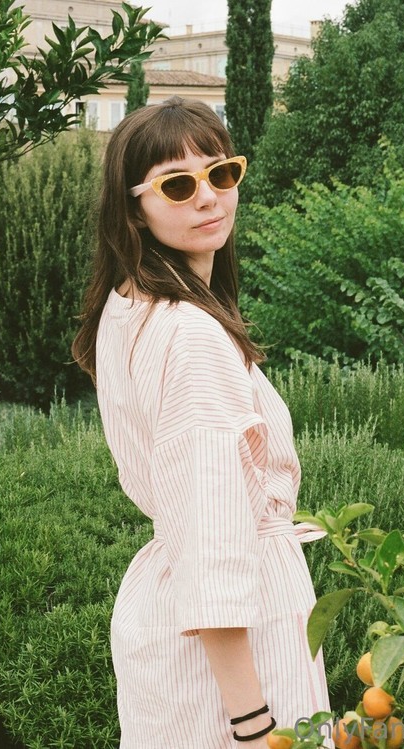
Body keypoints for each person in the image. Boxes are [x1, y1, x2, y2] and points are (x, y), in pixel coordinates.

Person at [72, 97, 332, 748]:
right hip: (232, 660)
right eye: (178, 185)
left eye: (221, 173)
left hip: (172, 624)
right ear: (135, 208)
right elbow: (212, 542)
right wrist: (253, 723)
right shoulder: (190, 335)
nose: (209, 197)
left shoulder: (127, 306)